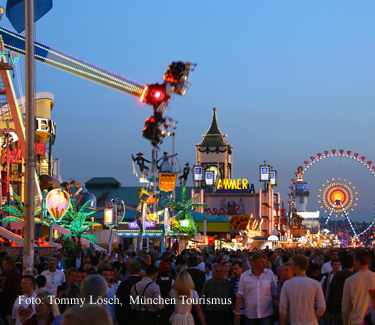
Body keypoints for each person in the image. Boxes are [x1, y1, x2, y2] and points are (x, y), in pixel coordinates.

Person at [279, 255, 326, 325]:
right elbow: (322, 307)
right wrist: (314, 318)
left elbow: (282, 309)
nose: (290, 267)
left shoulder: (287, 284)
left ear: (297, 266)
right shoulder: (315, 284)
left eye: (291, 264)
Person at [235, 253, 277, 325]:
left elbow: (274, 293)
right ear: (254, 263)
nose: (264, 264)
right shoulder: (244, 276)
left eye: (265, 262)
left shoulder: (270, 274)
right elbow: (239, 296)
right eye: (261, 262)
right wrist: (237, 313)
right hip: (250, 314)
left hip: (266, 314)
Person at [342, 249, 375, 325]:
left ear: (357, 261)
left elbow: (345, 308)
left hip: (357, 320)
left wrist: (345, 322)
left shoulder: (350, 281)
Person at [326, 254, 355, 325]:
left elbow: (331, 293)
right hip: (353, 310)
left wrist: (329, 309)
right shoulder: (355, 276)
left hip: (337, 309)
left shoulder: (337, 276)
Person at [0, 256, 21, 324]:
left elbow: (14, 292)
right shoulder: (5, 273)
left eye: (4, 265)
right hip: (4, 302)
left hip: (10, 304)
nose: (3, 266)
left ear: (9, 264)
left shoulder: (15, 274)